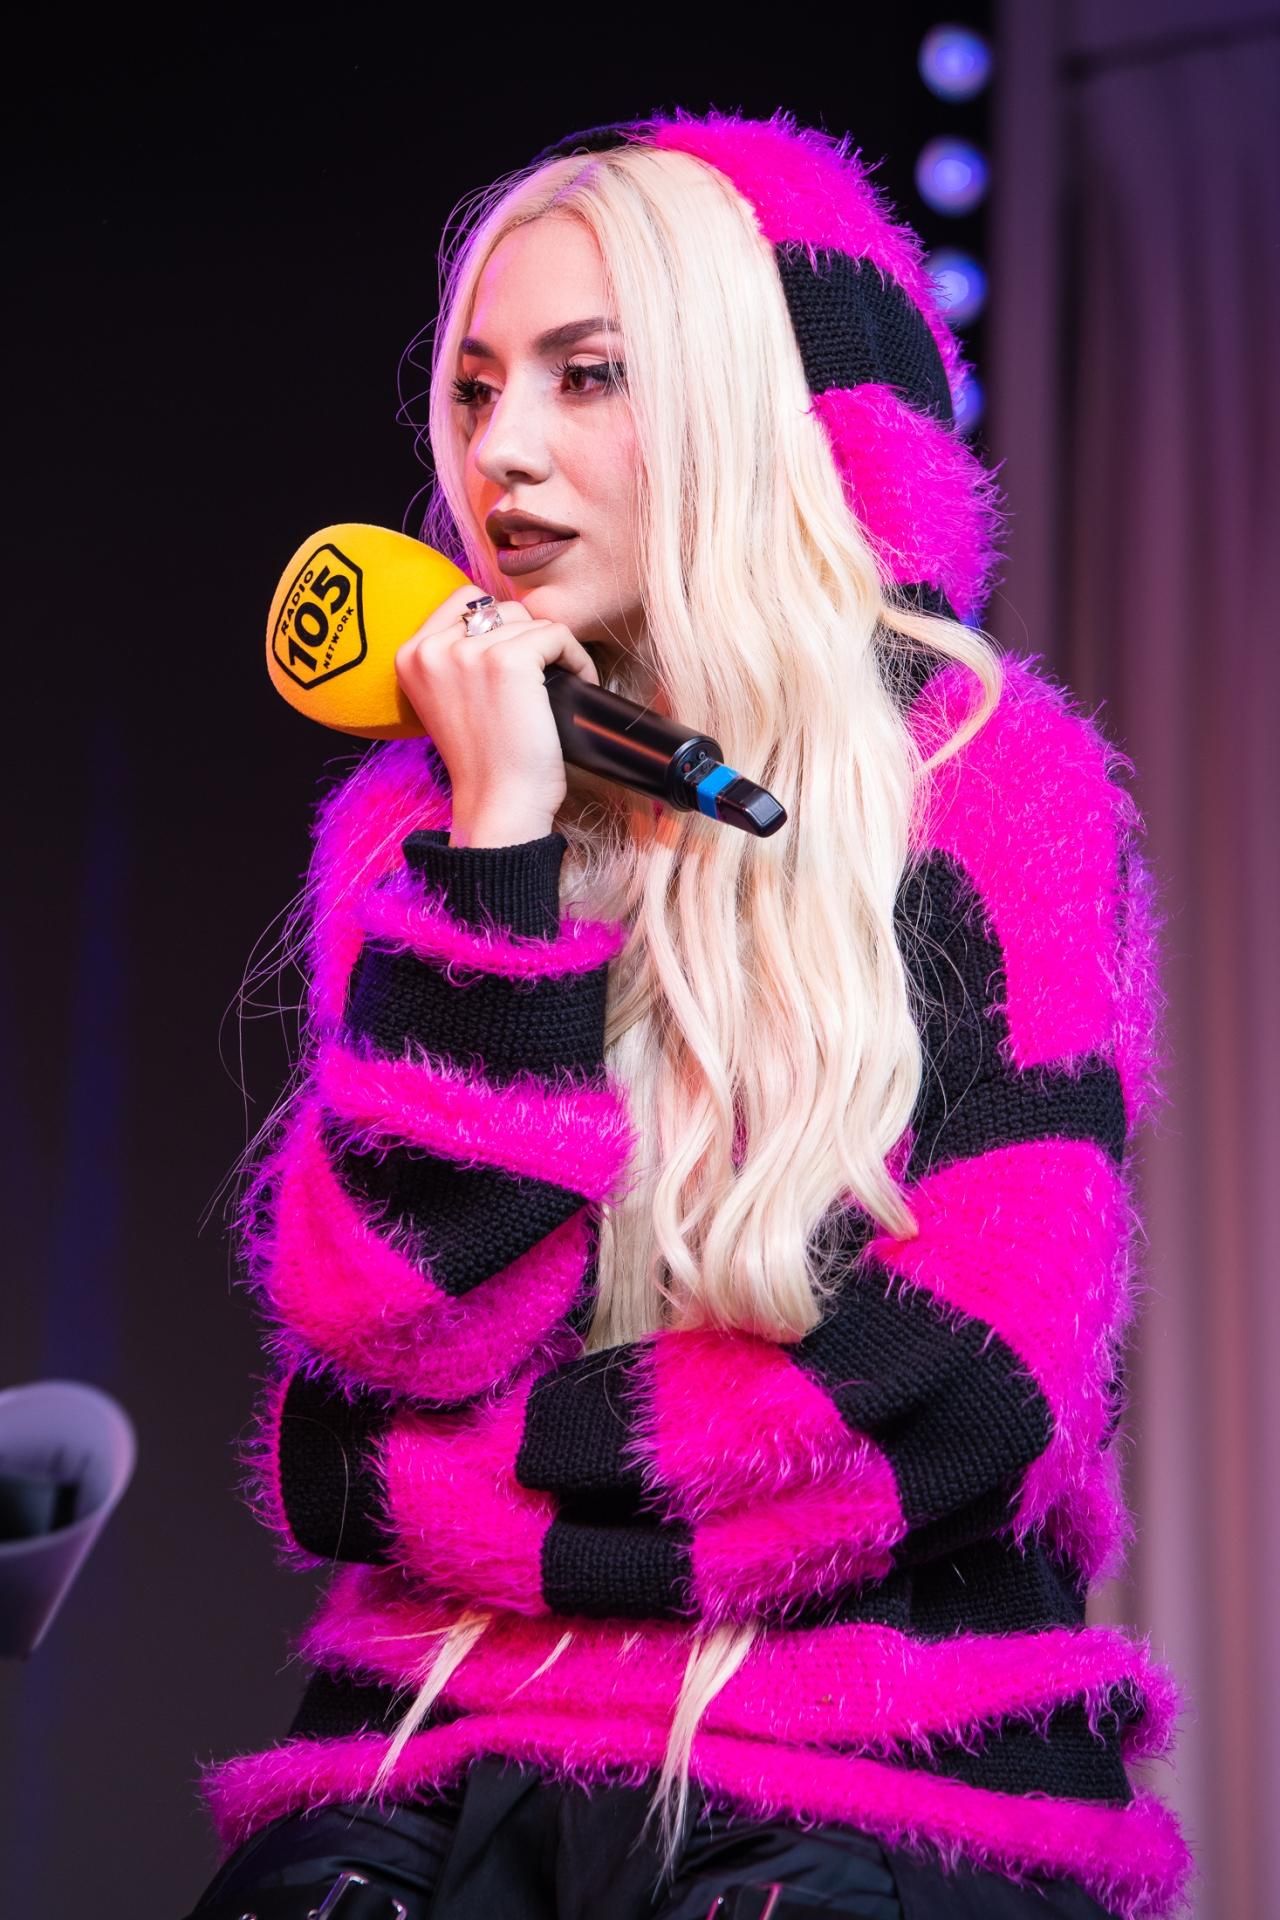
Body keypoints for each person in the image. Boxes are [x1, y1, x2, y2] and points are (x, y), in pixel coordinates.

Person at [182, 110, 1192, 1920]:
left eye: (587, 377)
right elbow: (385, 1333)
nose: (503, 452)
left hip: (874, 1752)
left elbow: (970, 1390)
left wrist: (476, 1500)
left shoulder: (987, 780)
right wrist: (498, 849)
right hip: (446, 1735)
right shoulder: (425, 818)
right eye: (476, 390)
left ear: (734, 404)